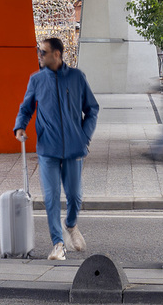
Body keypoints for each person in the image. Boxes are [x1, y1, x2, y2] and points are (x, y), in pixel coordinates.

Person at [13, 36, 99, 262]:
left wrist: (84, 136)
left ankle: (70, 225)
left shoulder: (77, 78)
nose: (39, 56)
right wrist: (20, 126)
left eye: (43, 52)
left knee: (75, 196)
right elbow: (26, 107)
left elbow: (92, 109)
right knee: (51, 198)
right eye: (39, 52)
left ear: (57, 54)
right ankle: (58, 244)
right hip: (47, 149)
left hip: (74, 148)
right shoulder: (37, 80)